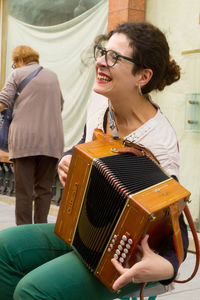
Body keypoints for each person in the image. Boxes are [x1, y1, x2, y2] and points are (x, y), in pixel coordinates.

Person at [0, 23, 188, 300]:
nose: (100, 62)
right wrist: (68, 158)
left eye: (114, 57)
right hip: (84, 231)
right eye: (103, 51)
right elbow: (84, 143)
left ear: (143, 76)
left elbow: (173, 222)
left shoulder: (158, 144)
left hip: (127, 258)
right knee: (5, 248)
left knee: (32, 290)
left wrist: (168, 266)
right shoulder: (100, 101)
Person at [0, 45, 64, 225]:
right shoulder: (53, 76)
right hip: (52, 141)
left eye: (14, 63)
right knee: (44, 190)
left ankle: (24, 233)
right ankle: (40, 231)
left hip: (24, 141)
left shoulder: (16, 74)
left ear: (20, 60)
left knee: (24, 191)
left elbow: (2, 102)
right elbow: (60, 105)